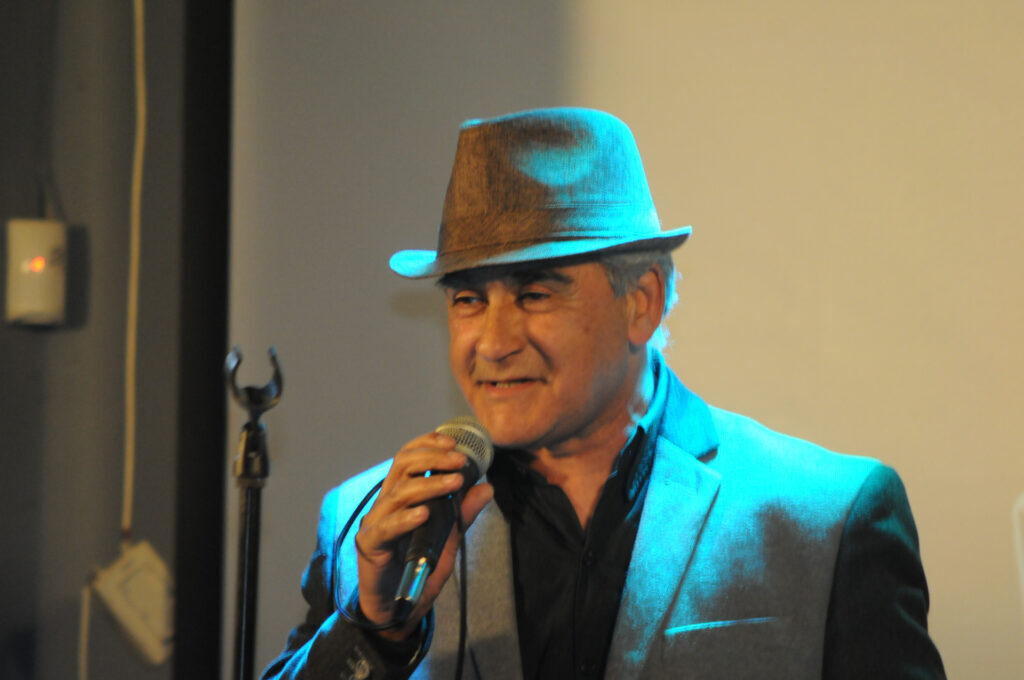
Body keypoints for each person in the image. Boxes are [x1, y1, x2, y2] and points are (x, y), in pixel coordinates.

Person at [261, 107, 945, 680]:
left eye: (534, 293)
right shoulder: (367, 525)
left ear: (641, 301)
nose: (492, 343)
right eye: (468, 299)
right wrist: (375, 630)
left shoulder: (826, 518)